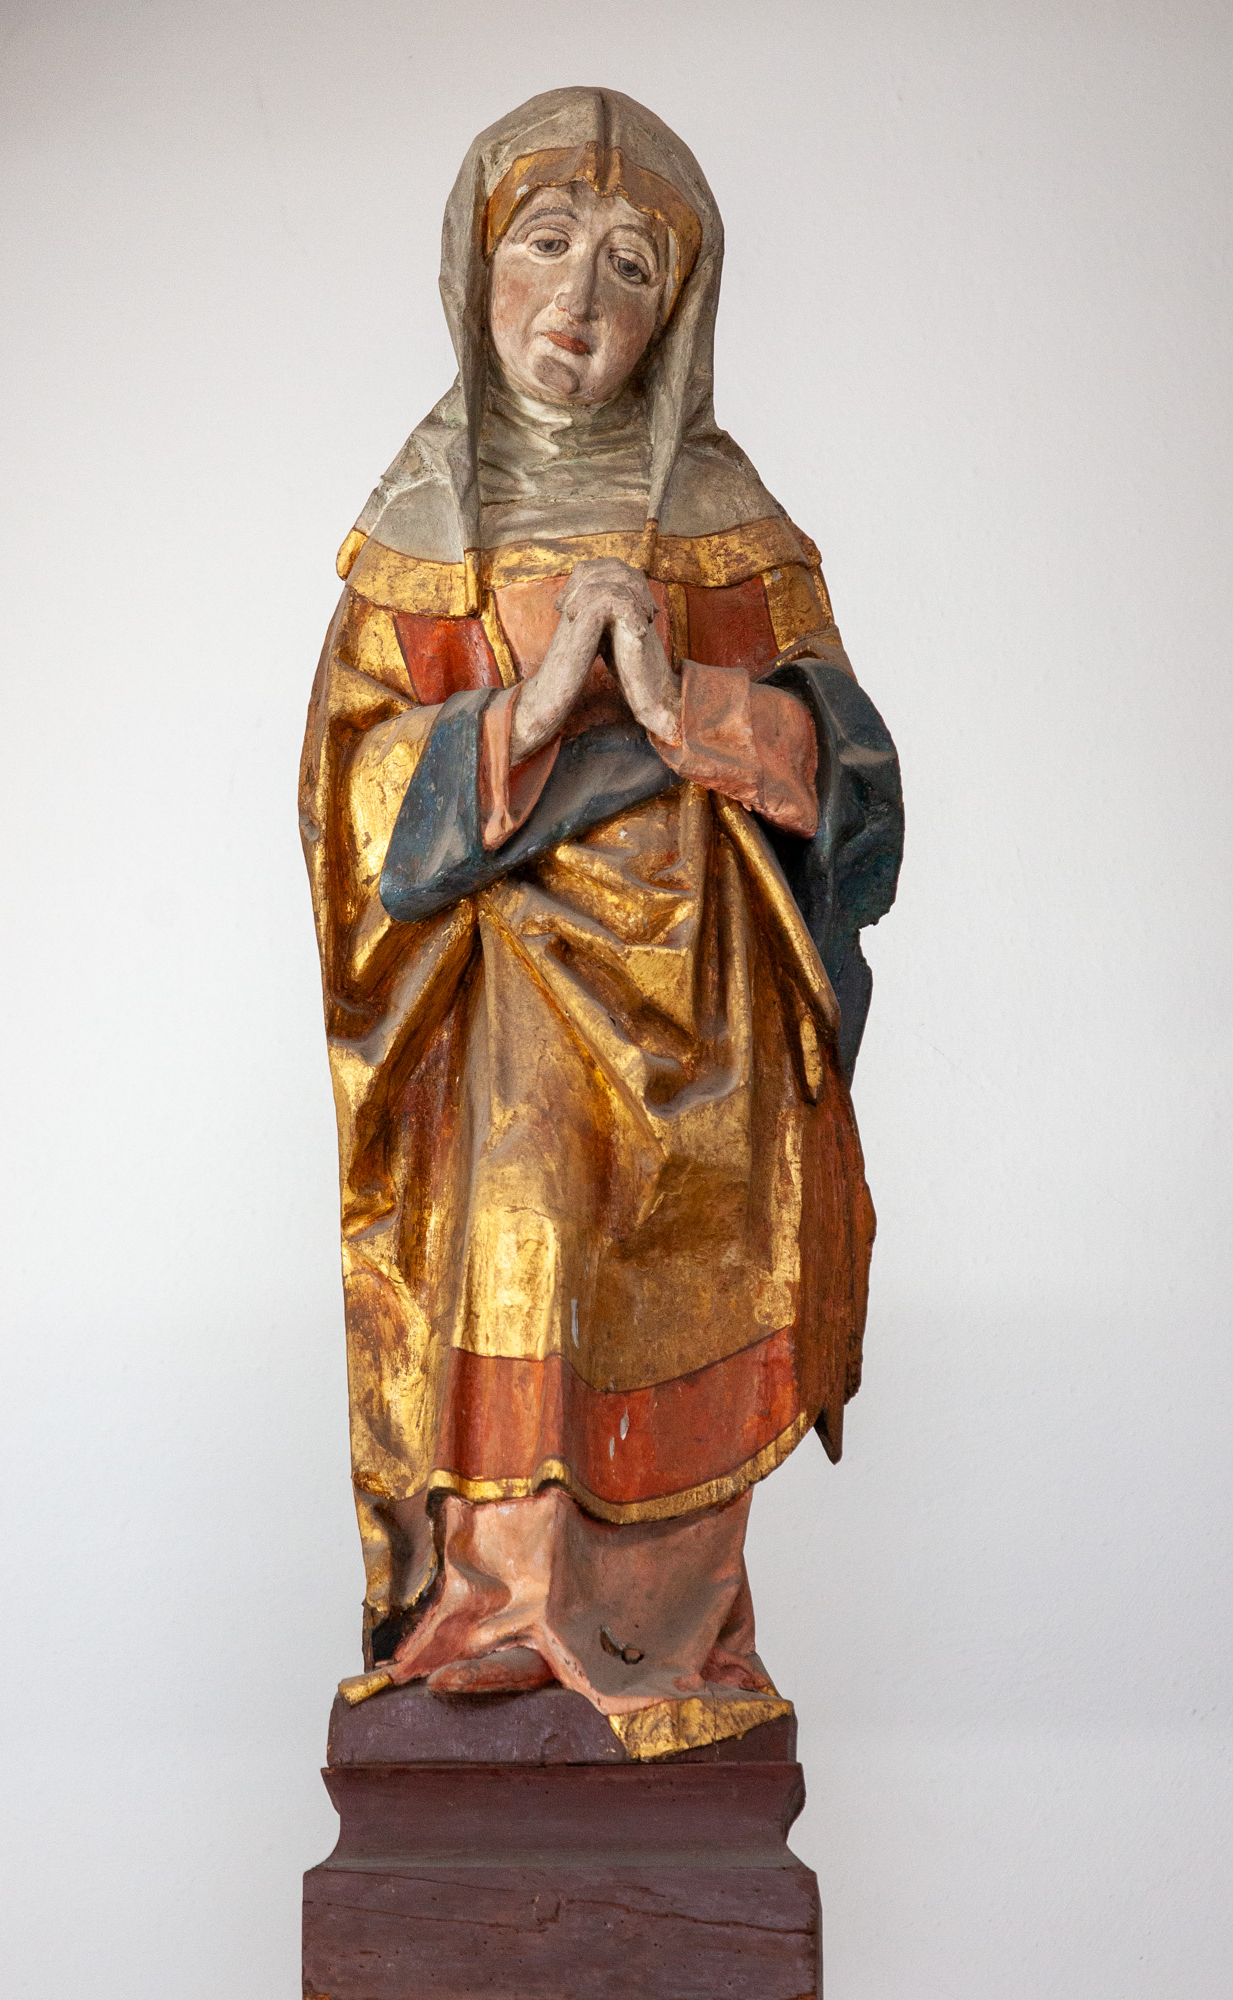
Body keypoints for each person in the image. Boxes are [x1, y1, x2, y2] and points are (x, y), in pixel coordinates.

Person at [300, 87, 902, 1757]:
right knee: (524, 1259)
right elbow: (355, 809)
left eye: (629, 266)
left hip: (709, 1002)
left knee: (693, 1278)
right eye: (546, 244)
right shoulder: (421, 539)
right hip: (507, 1007)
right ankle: (493, 1618)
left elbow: (855, 781)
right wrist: (535, 700)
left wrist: (684, 697)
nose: (577, 298)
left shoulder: (733, 524)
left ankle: (674, 1634)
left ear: (677, 315)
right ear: (474, 268)